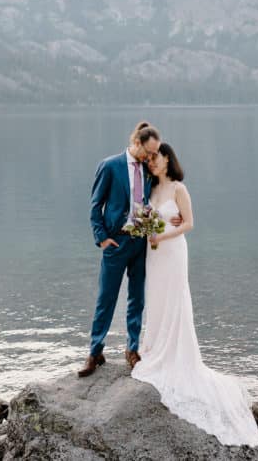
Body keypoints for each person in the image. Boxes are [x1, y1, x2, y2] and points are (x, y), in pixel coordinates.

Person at [131, 143, 258, 447]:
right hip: (154, 254)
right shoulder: (150, 190)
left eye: (156, 158)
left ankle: (175, 354)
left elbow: (189, 223)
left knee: (175, 299)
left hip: (173, 251)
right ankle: (154, 348)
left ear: (167, 159)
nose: (152, 163)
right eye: (149, 159)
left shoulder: (179, 189)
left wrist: (162, 233)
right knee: (157, 298)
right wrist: (143, 227)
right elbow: (141, 218)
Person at [78, 121, 160, 377]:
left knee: (137, 298)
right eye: (148, 152)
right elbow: (95, 206)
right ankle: (95, 352)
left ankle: (132, 350)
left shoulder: (148, 170)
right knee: (106, 298)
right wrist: (102, 238)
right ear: (136, 143)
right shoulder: (110, 166)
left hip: (140, 242)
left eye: (154, 153)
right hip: (115, 242)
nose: (151, 157)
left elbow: (151, 201)